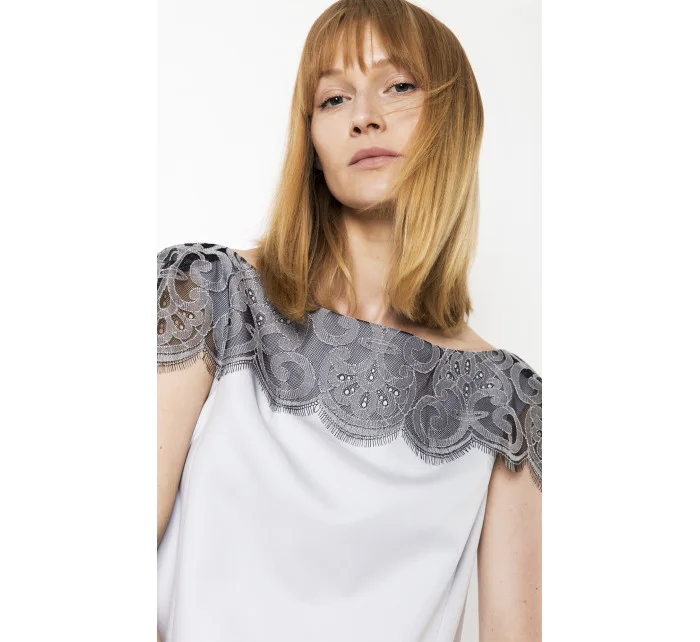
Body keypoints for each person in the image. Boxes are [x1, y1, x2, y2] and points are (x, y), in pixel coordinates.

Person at [157, 1, 542, 641]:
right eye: (333, 98)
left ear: (453, 121)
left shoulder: (508, 405)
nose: (365, 116)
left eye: (398, 86)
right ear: (312, 141)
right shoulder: (210, 294)